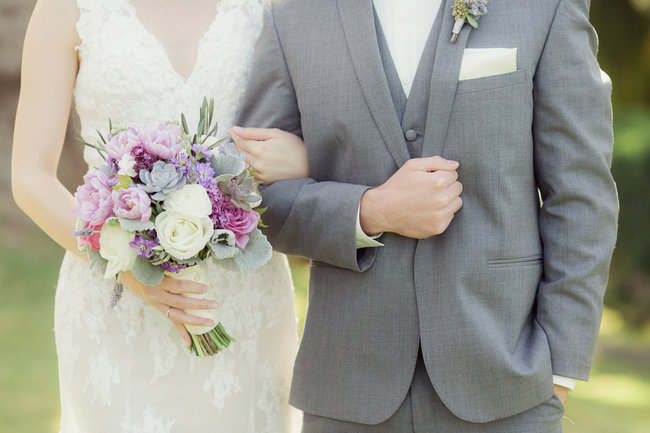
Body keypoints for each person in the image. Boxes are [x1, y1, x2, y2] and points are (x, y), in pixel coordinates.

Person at [233, 0, 618, 431]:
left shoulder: (543, 6)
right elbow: (251, 198)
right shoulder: (293, 13)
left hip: (507, 382)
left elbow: (581, 193)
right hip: (347, 388)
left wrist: (560, 369)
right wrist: (368, 210)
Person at [11, 0, 308, 431]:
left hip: (244, 297)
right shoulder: (67, 8)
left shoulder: (265, 5)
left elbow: (328, 120)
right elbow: (29, 176)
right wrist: (125, 265)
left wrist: (306, 158)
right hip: (116, 301)